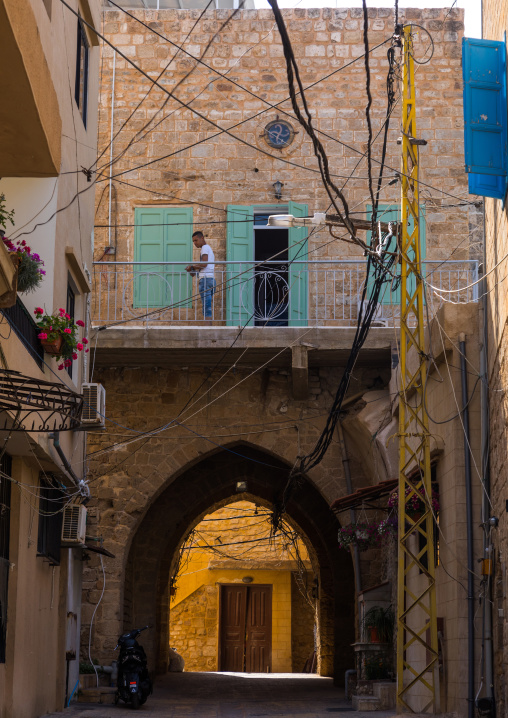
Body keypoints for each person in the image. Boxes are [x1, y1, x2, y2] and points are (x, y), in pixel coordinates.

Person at [186, 231, 216, 323]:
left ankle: (208, 328)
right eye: (193, 241)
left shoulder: (204, 248)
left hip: (206, 280)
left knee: (206, 306)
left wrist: (191, 267)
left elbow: (204, 264)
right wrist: (193, 270)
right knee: (207, 304)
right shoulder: (208, 249)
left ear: (202, 238)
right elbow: (204, 266)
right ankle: (208, 326)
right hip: (211, 279)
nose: (194, 243)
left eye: (196, 240)